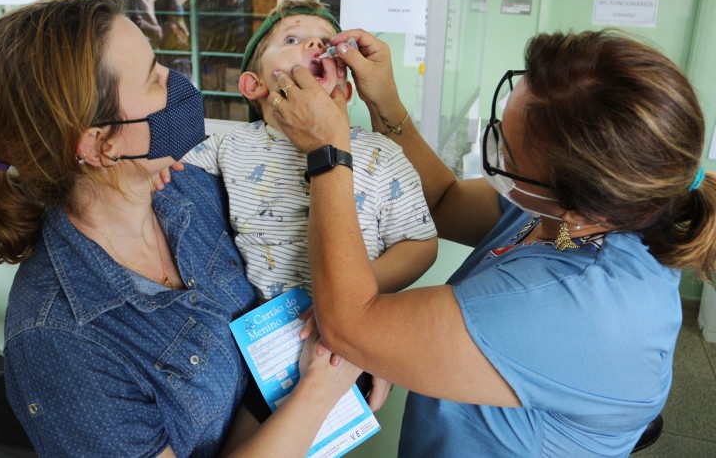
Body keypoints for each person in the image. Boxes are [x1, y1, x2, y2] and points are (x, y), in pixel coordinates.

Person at [269, 28, 716, 456]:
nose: (496, 155)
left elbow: (349, 328)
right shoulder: (573, 209)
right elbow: (445, 201)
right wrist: (384, 101)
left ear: (580, 210)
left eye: (509, 154)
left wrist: (327, 150)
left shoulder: (577, 307)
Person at [0, 0, 361, 457]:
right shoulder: (60, 342)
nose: (177, 81)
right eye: (154, 79)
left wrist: (360, 338)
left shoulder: (192, 187)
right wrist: (322, 386)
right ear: (100, 145)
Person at [182, 0, 438, 303]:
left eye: (326, 41)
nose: (316, 43)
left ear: (346, 89)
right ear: (254, 85)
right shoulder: (228, 144)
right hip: (258, 331)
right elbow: (171, 181)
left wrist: (356, 291)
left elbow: (420, 245)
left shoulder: (380, 153)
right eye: (292, 39)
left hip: (352, 324)